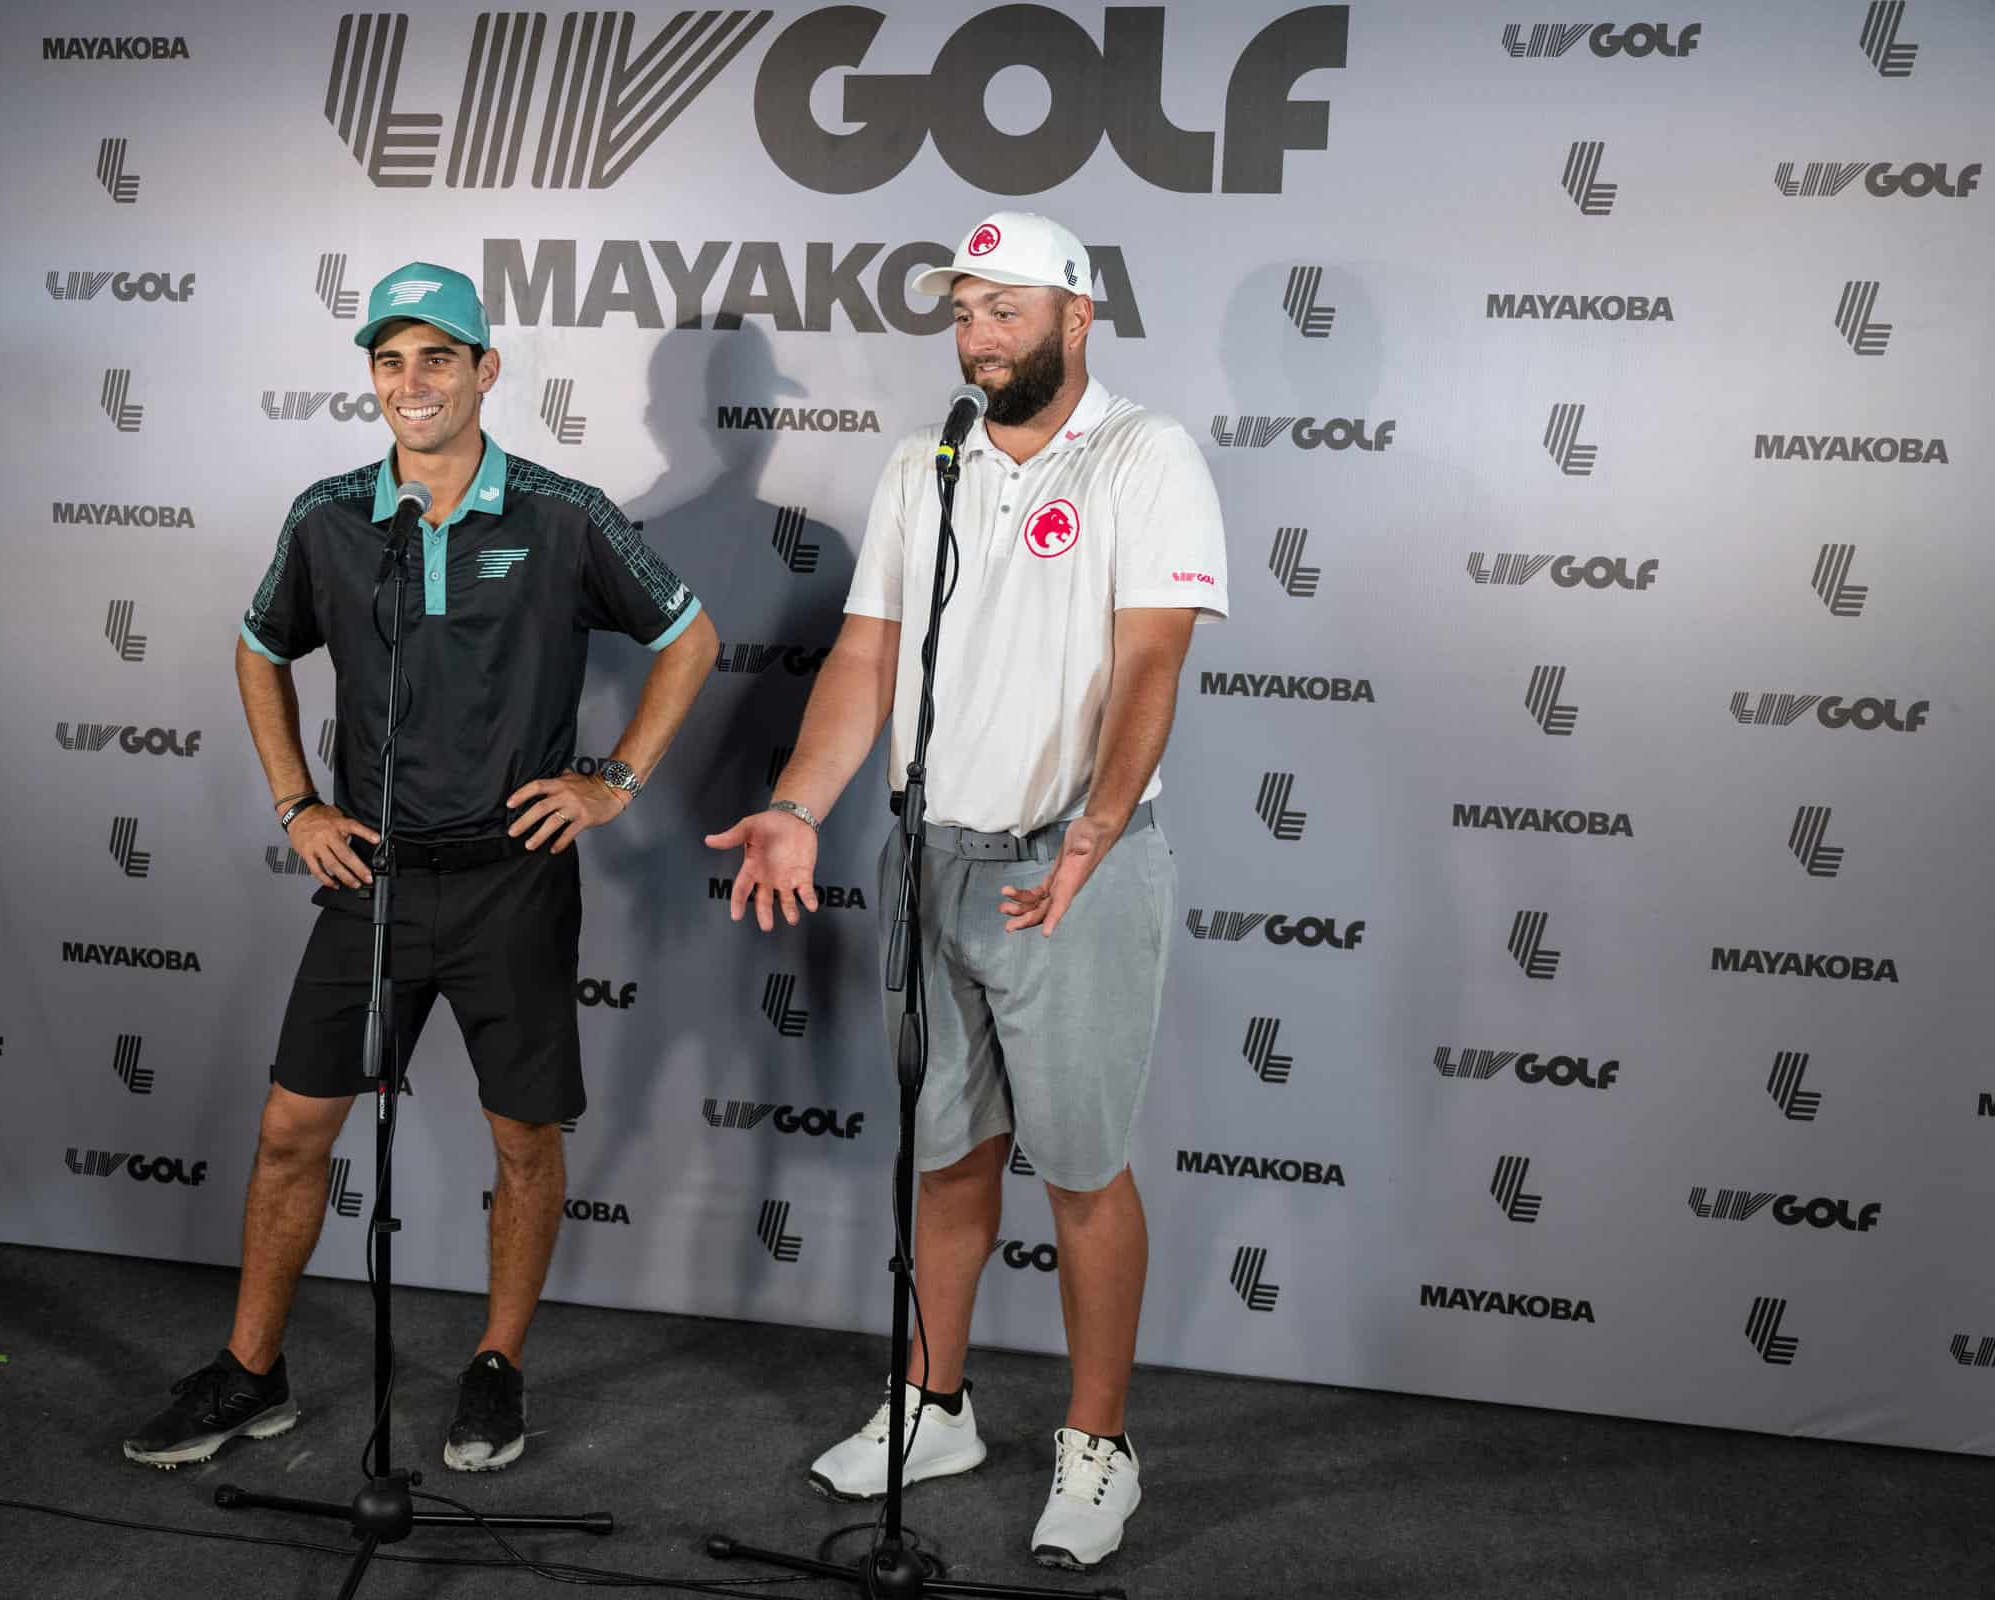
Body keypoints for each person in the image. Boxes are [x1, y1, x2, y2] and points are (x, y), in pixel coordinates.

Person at [125, 262, 715, 1473]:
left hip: (513, 876)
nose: (412, 383)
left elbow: (688, 636)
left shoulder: (561, 510)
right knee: (294, 1130)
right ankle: (253, 1374)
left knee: (523, 1143)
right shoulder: (332, 513)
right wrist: (295, 801)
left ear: (487, 371)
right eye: (390, 361)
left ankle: (496, 1366)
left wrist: (618, 780)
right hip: (371, 879)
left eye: (437, 357)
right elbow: (256, 649)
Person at [703, 211, 1228, 1570]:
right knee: (947, 1153)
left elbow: (1154, 664)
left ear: (1076, 316)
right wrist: (801, 805)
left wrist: (1093, 838)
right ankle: (935, 1405)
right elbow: (867, 659)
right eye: (964, 312)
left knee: (1086, 1175)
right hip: (931, 858)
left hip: (1074, 867)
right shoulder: (920, 466)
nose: (979, 336)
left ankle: (1099, 1446)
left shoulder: (1142, 454)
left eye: (1006, 311)